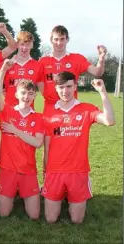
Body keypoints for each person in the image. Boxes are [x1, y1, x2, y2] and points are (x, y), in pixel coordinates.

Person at [41, 72, 115, 224]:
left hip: (78, 171)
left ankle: (72, 197)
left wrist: (102, 92)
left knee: (77, 220)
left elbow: (109, 121)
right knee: (50, 219)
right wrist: (45, 171)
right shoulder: (49, 112)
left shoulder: (86, 109)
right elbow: (47, 145)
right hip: (55, 171)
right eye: (61, 87)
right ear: (56, 88)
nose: (65, 91)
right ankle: (62, 196)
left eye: (69, 86)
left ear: (75, 86)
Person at [0, 59, 44, 220]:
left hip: (28, 170)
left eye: (30, 93)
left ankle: (20, 194)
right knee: (3, 214)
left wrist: (14, 130)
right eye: (23, 93)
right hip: (8, 169)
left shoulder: (39, 118)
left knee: (35, 216)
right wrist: (2, 71)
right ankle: (11, 194)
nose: (26, 96)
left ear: (35, 95)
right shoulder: (8, 111)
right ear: (16, 94)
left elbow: (37, 143)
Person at [39, 25, 107, 114]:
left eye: (62, 39)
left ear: (67, 40)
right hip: (50, 110)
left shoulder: (77, 59)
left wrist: (101, 59)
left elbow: (97, 72)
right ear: (51, 40)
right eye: (56, 39)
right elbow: (38, 83)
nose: (59, 43)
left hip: (71, 110)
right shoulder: (42, 62)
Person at [0, 31, 44, 108]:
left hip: (28, 112)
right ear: (17, 45)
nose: (24, 48)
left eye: (28, 45)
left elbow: (43, 92)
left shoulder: (38, 66)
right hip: (9, 111)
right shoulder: (7, 64)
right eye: (22, 44)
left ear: (32, 45)